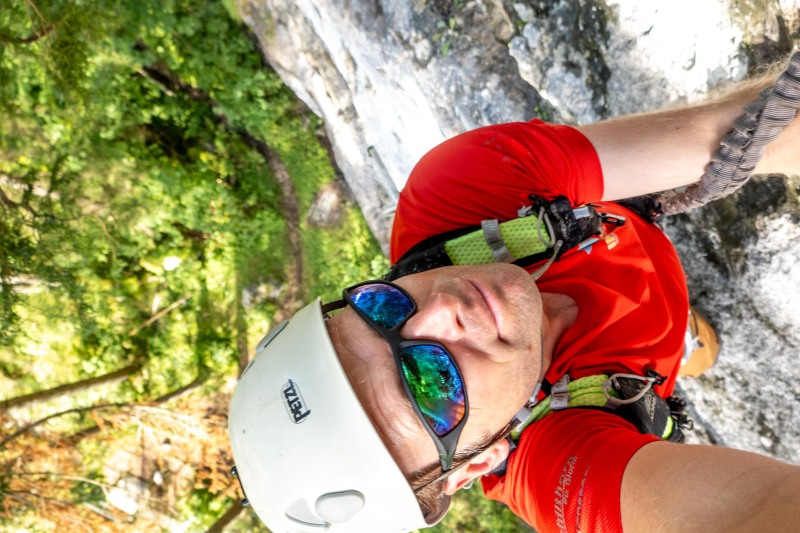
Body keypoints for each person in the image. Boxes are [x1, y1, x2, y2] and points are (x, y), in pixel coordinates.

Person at [227, 62, 800, 533]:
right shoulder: (554, 466)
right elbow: (745, 516)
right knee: (678, 350)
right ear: (475, 464)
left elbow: (737, 134)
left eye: (381, 308)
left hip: (626, 242)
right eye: (431, 380)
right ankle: (682, 344)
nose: (439, 309)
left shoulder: (456, 197)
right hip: (634, 350)